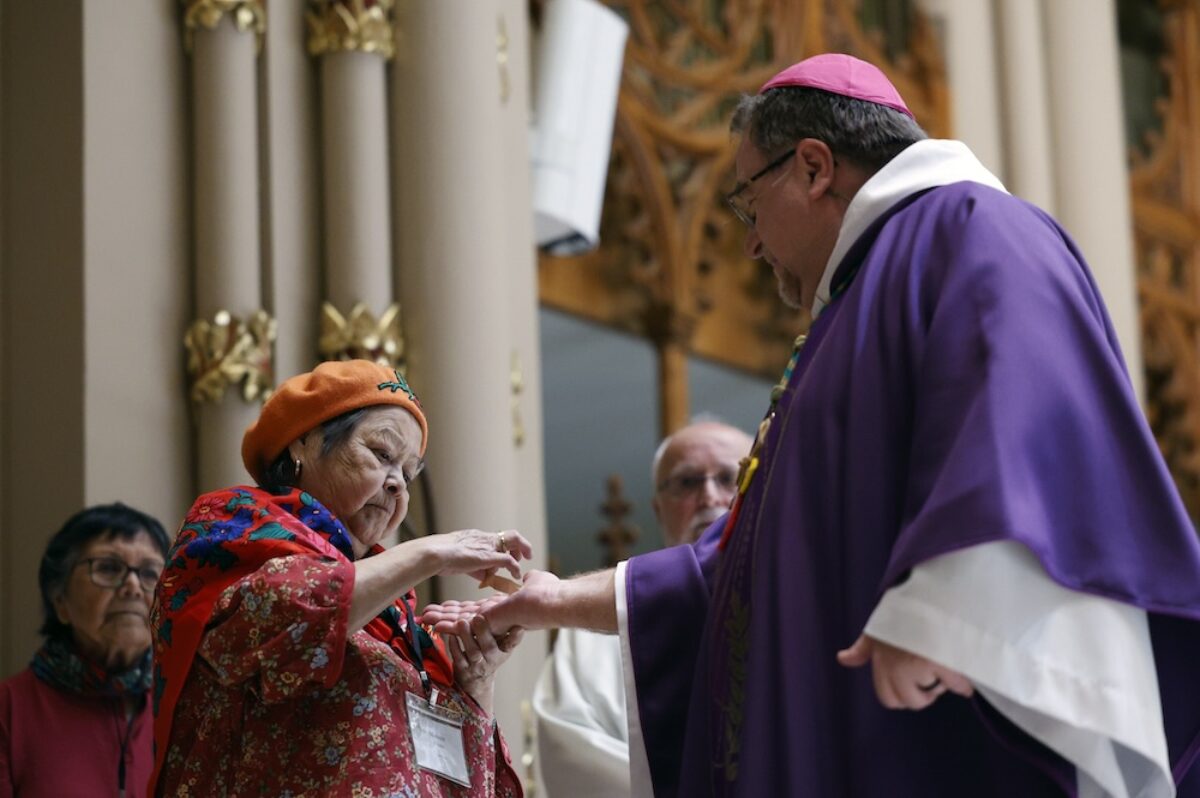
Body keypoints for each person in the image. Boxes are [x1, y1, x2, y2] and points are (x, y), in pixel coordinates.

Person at [423, 53, 1200, 797]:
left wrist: (944, 602)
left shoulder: (969, 225)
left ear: (814, 167)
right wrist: (556, 598)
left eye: (749, 203)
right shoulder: (844, 321)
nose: (752, 241)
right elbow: (747, 568)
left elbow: (1030, 416)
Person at [150, 359, 534, 796]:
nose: (398, 485)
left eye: (408, 473)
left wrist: (475, 681)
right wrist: (428, 552)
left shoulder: (396, 613)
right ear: (303, 442)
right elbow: (278, 618)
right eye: (383, 455)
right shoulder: (231, 526)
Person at [532, 420, 752, 797]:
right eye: (687, 482)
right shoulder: (594, 631)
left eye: (730, 478)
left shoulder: (789, 609)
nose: (709, 496)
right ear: (658, 508)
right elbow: (572, 750)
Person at [0, 503, 170, 798]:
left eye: (149, 573)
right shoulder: (8, 710)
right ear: (60, 600)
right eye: (108, 568)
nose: (132, 586)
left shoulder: (185, 707)